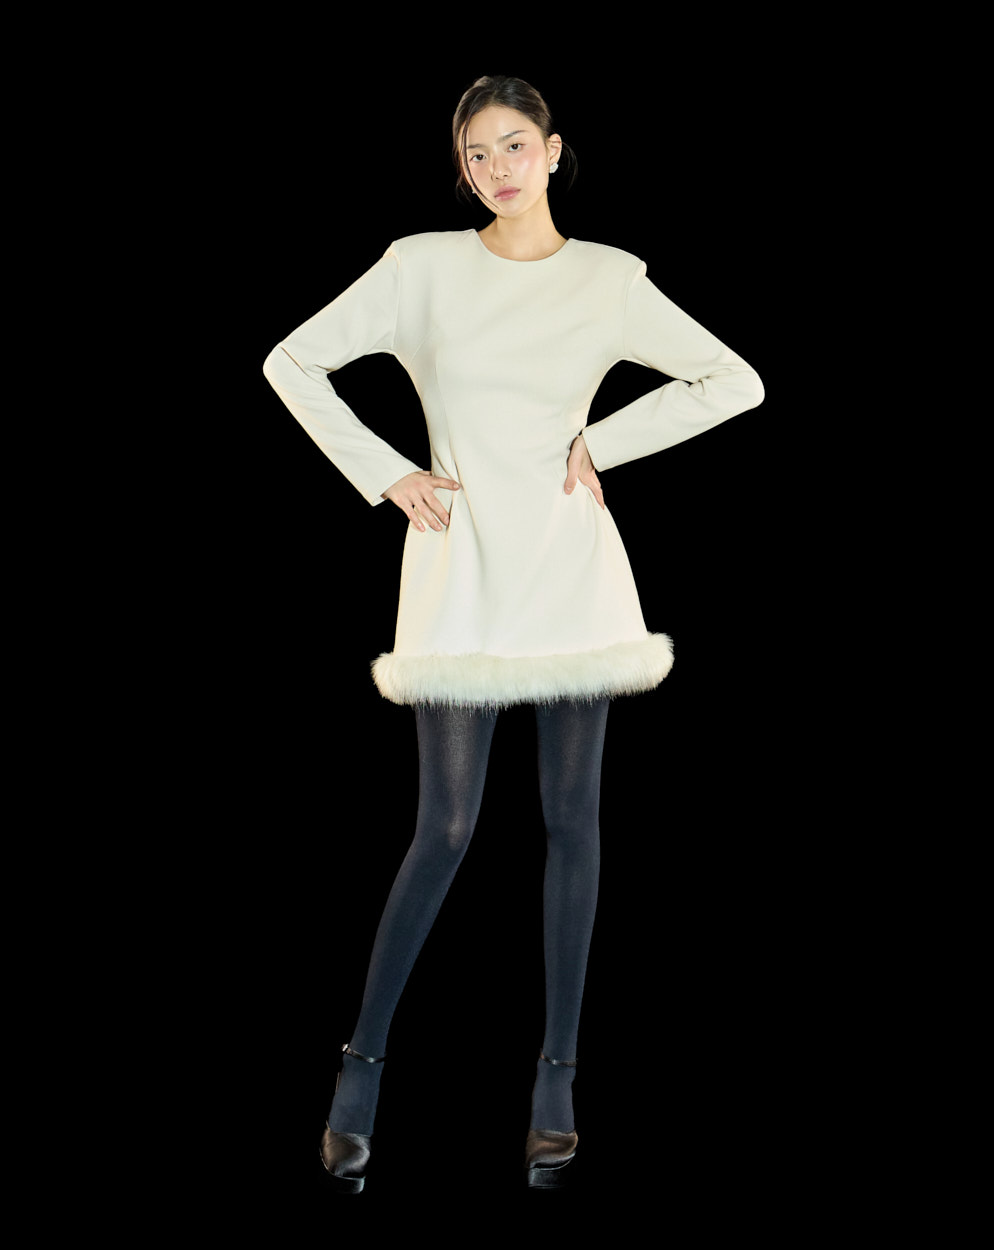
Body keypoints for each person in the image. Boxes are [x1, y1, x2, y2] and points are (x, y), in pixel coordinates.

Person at [263, 74, 764, 1193]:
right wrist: (387, 472)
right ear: (463, 169)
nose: (496, 167)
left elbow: (733, 380)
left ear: (553, 151)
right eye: (475, 153)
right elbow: (290, 361)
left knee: (572, 821)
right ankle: (360, 1067)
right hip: (463, 565)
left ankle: (555, 1082)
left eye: (513, 145)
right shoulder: (421, 269)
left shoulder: (607, 278)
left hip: (570, 565)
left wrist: (604, 445)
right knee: (444, 826)